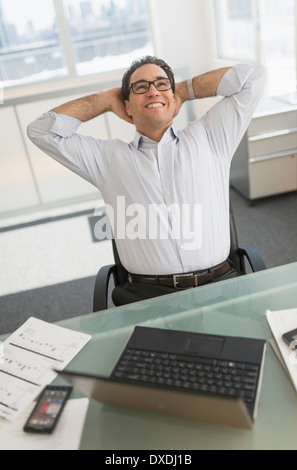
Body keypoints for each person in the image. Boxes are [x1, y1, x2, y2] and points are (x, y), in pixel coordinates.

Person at [27, 56, 267, 306]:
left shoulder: (211, 136)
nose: (153, 90)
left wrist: (183, 91)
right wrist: (106, 100)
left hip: (222, 289)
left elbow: (254, 77)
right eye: (140, 87)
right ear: (127, 106)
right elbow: (41, 131)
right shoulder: (107, 158)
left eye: (161, 84)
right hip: (147, 300)